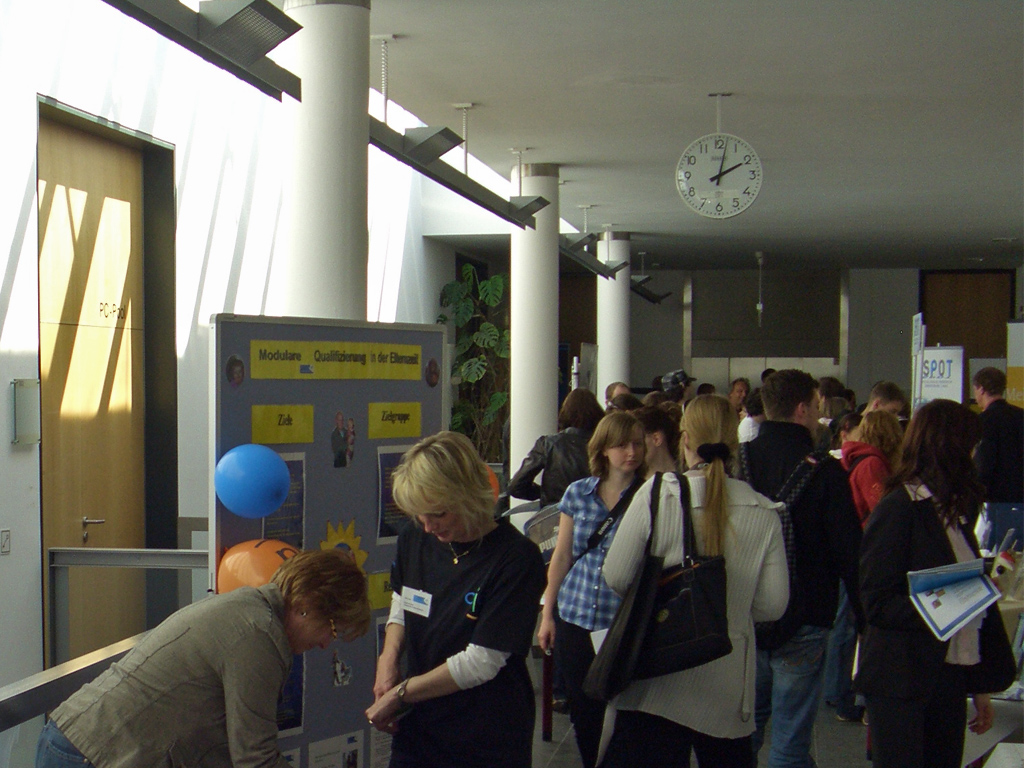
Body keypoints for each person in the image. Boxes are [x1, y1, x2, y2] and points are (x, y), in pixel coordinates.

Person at [36, 550, 370, 768]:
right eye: (332, 628)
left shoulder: (249, 612)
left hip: (82, 743)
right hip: (92, 753)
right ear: (307, 603)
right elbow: (256, 759)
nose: (325, 644)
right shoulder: (258, 636)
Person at [602, 395, 789, 768]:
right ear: (735, 442)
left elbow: (617, 575)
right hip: (727, 680)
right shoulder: (764, 511)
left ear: (684, 439)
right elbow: (772, 605)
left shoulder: (657, 494)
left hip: (659, 670)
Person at [367, 431, 545, 768]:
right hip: (420, 728)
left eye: (438, 514)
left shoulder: (516, 559)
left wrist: (401, 693)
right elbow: (403, 603)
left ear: (468, 496)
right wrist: (388, 660)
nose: (428, 526)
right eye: (419, 515)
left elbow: (482, 661)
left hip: (485, 735)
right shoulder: (415, 537)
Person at [856, 399, 1014, 768]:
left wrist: (980, 687)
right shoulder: (899, 508)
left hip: (947, 674)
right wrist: (951, 602)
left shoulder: (952, 511)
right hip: (902, 679)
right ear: (950, 449)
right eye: (970, 446)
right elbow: (876, 603)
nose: (975, 456)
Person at [740, 369, 864, 768]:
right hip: (807, 612)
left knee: (742, 731)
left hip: (746, 615)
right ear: (801, 409)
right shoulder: (825, 472)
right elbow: (849, 552)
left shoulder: (739, 464)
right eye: (815, 406)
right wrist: (865, 616)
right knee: (791, 738)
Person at [537, 411, 646, 768]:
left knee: (625, 710)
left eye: (637, 444)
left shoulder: (649, 495)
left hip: (623, 620)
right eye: (622, 445)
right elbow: (562, 555)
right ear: (603, 448)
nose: (631, 452)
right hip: (576, 614)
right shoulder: (579, 493)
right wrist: (548, 614)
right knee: (584, 710)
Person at [824, 409, 902, 722]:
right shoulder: (873, 465)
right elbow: (882, 511)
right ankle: (841, 693)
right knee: (849, 626)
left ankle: (838, 691)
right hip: (864, 553)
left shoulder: (856, 459)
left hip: (854, 550)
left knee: (845, 625)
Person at [507, 387, 605, 508]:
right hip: (594, 511)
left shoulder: (549, 444)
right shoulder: (605, 445)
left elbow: (516, 486)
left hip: (555, 512)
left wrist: (545, 493)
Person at [972, 367, 1023, 551]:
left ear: (981, 389)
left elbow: (984, 465)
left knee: (996, 557)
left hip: (997, 505)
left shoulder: (983, 421)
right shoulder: (1021, 416)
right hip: (1021, 501)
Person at [635, 405, 680, 476]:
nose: (631, 451)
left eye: (637, 443)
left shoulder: (687, 479)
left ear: (656, 439)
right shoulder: (631, 480)